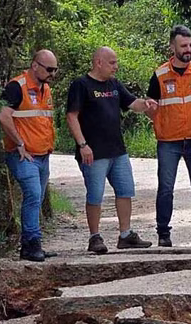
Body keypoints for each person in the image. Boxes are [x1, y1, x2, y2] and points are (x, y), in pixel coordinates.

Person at [66, 46, 158, 254]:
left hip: (118, 150)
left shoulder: (114, 84)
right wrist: (82, 145)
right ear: (98, 62)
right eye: (112, 63)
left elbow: (132, 103)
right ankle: (95, 237)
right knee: (95, 195)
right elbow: (72, 116)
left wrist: (146, 104)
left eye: (116, 62)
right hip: (93, 152)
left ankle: (126, 235)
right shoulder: (81, 85)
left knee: (125, 190)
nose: (116, 67)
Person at [146, 25, 191, 247]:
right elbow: (150, 107)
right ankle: (163, 233)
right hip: (168, 141)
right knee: (166, 189)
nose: (188, 49)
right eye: (183, 45)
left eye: (190, 45)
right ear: (172, 47)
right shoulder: (159, 75)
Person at [0, 50, 59, 262]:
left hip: (42, 155)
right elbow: (3, 116)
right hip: (23, 155)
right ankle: (32, 243)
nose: (52, 74)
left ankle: (30, 245)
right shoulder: (17, 86)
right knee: (33, 194)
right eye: (49, 69)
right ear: (35, 65)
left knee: (37, 198)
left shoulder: (45, 89)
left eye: (55, 70)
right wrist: (19, 143)